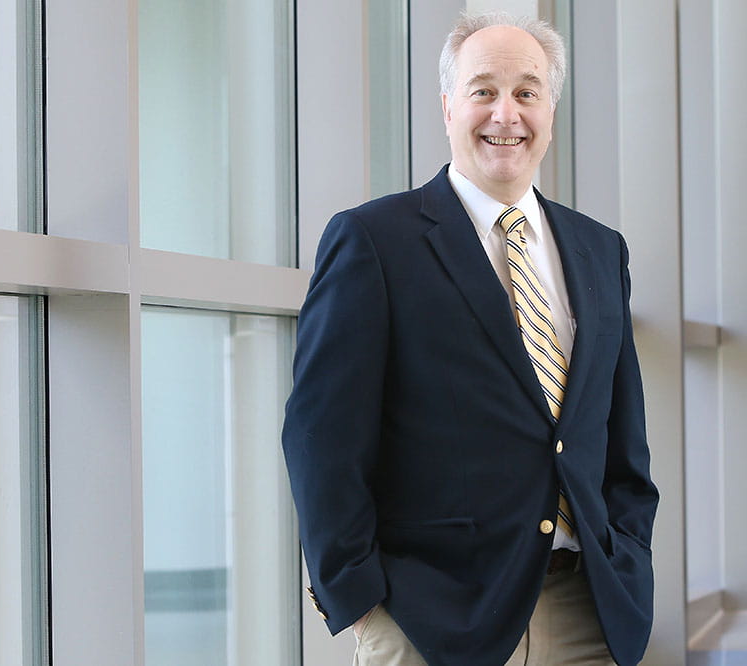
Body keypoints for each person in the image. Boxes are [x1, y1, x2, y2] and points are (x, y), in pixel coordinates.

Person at [281, 11, 658, 666]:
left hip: (589, 613)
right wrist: (362, 599)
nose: (505, 114)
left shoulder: (601, 250)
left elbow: (621, 440)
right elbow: (320, 435)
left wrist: (630, 554)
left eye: (526, 92)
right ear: (449, 104)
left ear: (550, 106)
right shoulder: (373, 241)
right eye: (483, 90)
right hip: (431, 618)